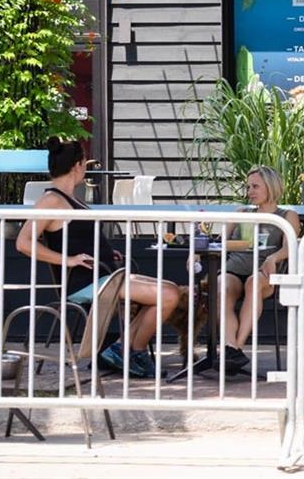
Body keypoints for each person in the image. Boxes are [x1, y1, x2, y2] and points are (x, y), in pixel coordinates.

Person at [16, 138, 183, 379]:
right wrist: (68, 260)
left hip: (104, 275)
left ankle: (121, 350)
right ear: (77, 165)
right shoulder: (51, 200)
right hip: (85, 283)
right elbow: (23, 242)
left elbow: (78, 236)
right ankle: (130, 351)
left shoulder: (72, 199)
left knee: (170, 289)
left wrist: (106, 252)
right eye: (85, 163)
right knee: (168, 295)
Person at [216, 166, 300, 372]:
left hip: (264, 273)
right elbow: (219, 242)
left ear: (271, 187)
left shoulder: (286, 215)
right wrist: (197, 252)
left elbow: (290, 247)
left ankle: (236, 347)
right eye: (248, 187)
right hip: (235, 268)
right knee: (221, 285)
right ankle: (231, 348)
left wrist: (274, 257)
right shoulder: (242, 213)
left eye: (255, 187)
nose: (250, 192)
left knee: (253, 284)